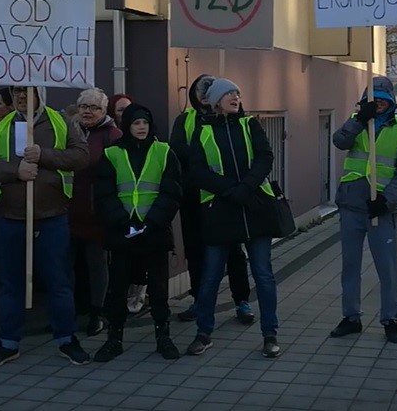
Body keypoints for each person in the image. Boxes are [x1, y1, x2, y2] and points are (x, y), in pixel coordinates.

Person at [0, 85, 91, 370]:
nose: (22, 97)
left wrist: (44, 155)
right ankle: (8, 342)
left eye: (27, 91)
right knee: (10, 284)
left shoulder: (58, 121)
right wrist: (15, 171)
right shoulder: (0, 126)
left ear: (40, 93)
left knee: (59, 282)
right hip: (11, 219)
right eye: (17, 92)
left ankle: (66, 339)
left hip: (52, 217)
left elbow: (81, 156)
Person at [185, 78, 282, 358]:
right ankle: (204, 333)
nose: (235, 97)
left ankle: (270, 333)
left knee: (263, 274)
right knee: (211, 275)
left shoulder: (249, 125)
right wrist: (229, 190)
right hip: (221, 210)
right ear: (215, 101)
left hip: (253, 207)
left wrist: (246, 187)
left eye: (238, 93)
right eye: (229, 93)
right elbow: (197, 170)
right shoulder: (202, 131)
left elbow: (265, 157)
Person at [93, 103, 182, 361]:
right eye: (135, 123)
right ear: (127, 126)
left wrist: (151, 221)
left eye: (144, 122)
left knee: (158, 289)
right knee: (118, 288)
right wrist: (123, 221)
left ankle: (163, 337)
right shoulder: (112, 154)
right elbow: (104, 194)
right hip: (123, 232)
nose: (141, 127)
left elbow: (172, 192)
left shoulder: (165, 152)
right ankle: (114, 339)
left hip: (154, 232)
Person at [330, 77, 397, 343]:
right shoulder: (358, 121)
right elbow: (339, 141)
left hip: (381, 207)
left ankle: (390, 318)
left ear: (390, 101)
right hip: (352, 204)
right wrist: (358, 120)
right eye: (373, 98)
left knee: (387, 266)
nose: (378, 103)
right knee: (350, 265)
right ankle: (351, 317)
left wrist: (388, 199)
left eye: (383, 99)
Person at [170, 74, 256, 325]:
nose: (206, 91)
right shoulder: (185, 120)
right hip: (195, 197)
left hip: (227, 196)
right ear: (194, 95)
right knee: (196, 251)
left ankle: (242, 300)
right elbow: (178, 150)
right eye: (201, 88)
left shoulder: (235, 118)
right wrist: (203, 154)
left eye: (211, 87)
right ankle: (199, 300)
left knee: (234, 252)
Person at [70, 87, 121, 336]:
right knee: (69, 264)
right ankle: (71, 311)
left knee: (96, 264)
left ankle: (97, 313)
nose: (88, 112)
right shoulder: (69, 131)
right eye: (83, 106)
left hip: (96, 213)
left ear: (104, 111)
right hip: (68, 209)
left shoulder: (113, 135)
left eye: (94, 107)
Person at [107, 92, 147, 313]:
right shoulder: (113, 146)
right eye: (120, 110)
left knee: (143, 261)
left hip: (147, 218)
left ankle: (139, 294)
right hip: (121, 218)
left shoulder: (155, 147)